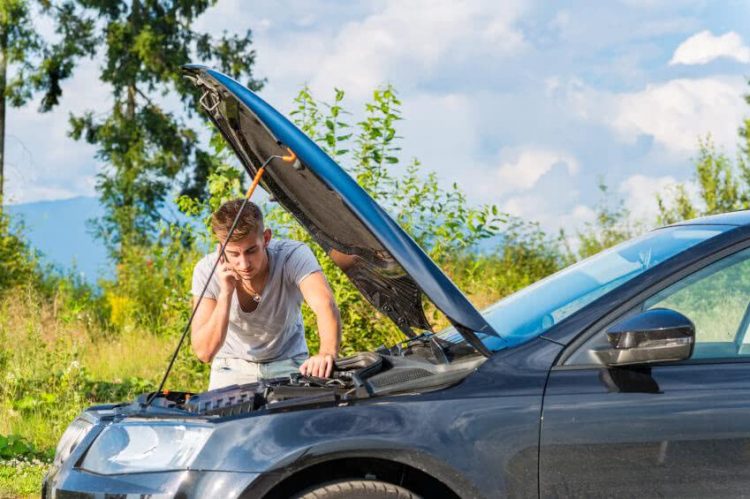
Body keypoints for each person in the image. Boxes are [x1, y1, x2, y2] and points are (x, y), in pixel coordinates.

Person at [190, 199, 342, 390]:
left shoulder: (293, 255)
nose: (244, 264)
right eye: (234, 254)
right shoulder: (206, 270)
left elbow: (325, 305)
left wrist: (326, 352)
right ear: (221, 250)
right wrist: (226, 292)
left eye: (251, 250)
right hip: (231, 366)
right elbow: (204, 353)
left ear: (266, 238)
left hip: (289, 363)